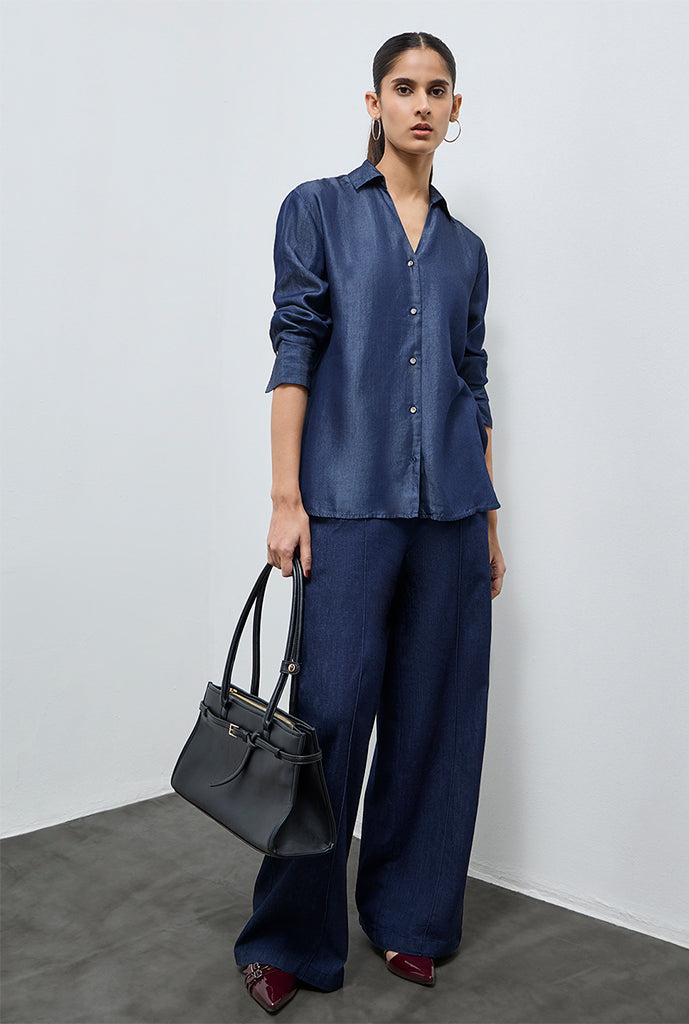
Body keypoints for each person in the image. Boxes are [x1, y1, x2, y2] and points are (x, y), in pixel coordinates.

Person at [234, 30, 507, 1014]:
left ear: (455, 108)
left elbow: (473, 384)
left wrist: (489, 521)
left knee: (437, 722)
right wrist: (286, 498)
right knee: (329, 718)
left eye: (437, 90)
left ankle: (410, 918)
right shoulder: (316, 210)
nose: (421, 104)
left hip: (452, 516)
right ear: (374, 101)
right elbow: (295, 347)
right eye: (404, 87)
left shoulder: (467, 251)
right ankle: (288, 938)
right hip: (346, 505)